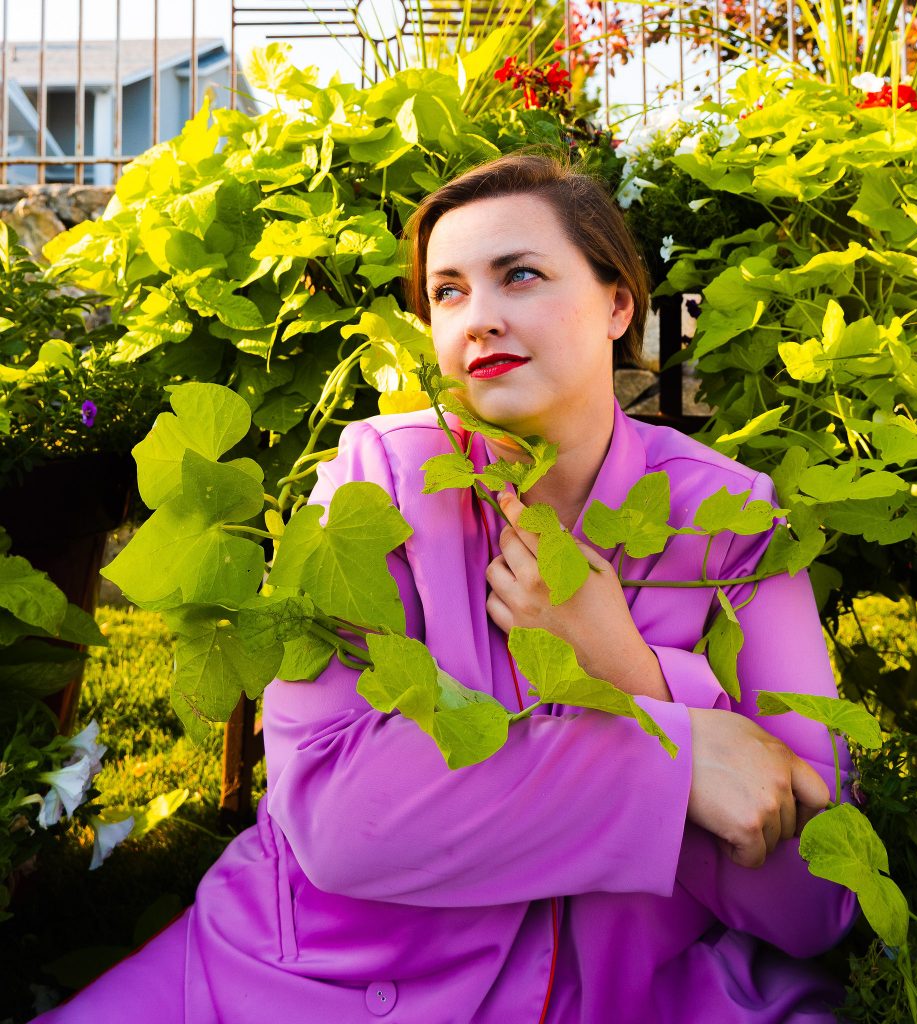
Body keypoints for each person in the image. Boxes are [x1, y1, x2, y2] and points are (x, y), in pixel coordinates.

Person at [34, 150, 858, 1023]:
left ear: (618, 304)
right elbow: (341, 817)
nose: (479, 320)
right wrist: (680, 758)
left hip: (623, 997)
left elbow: (815, 899)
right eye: (449, 292)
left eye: (521, 276)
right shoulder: (377, 480)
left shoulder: (727, 515)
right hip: (307, 977)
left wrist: (629, 672)